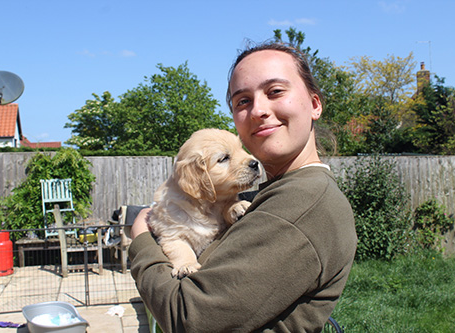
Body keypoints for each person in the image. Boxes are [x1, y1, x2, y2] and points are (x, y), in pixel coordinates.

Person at [129, 42, 357, 332]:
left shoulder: (301, 204)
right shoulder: (276, 194)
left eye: (275, 91)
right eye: (242, 101)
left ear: (314, 104)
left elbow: (188, 318)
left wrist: (141, 243)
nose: (258, 110)